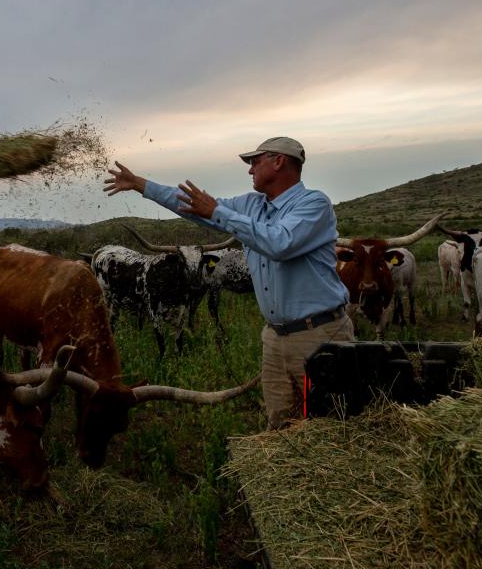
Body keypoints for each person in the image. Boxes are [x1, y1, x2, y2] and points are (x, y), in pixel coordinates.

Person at [104, 136, 353, 430]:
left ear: (279, 161)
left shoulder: (314, 204)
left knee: (330, 426)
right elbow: (192, 205)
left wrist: (217, 212)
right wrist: (142, 185)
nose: (250, 170)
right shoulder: (250, 205)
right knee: (281, 428)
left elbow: (279, 243)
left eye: (254, 162)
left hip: (319, 336)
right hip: (275, 338)